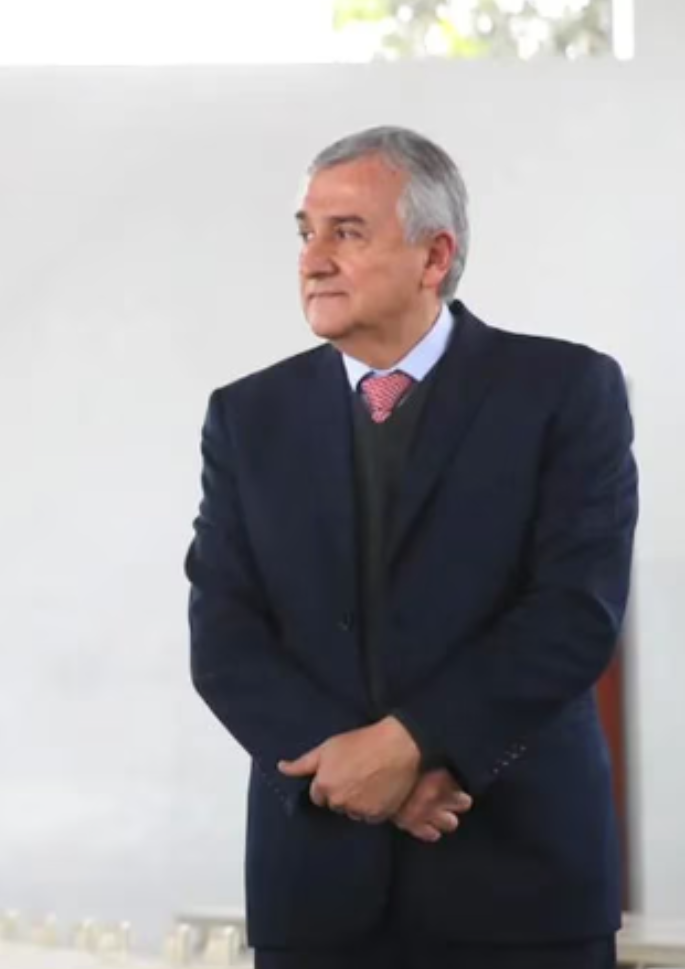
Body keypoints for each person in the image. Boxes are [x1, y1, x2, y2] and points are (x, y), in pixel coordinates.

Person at [185, 126, 638, 968]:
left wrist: (412, 746)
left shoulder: (566, 391)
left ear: (435, 257)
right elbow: (226, 641)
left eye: (345, 231)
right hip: (316, 893)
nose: (312, 258)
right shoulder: (248, 418)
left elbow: (575, 614)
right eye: (304, 231)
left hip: (522, 883)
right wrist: (357, 778)